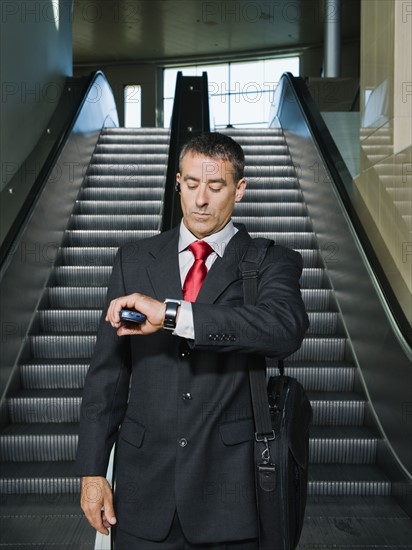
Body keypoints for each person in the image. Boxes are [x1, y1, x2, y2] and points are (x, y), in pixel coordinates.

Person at [76, 132, 309, 549]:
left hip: (231, 499)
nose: (201, 200)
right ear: (178, 183)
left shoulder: (271, 260)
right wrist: (93, 472)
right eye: (192, 184)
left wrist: (170, 314)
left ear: (239, 189)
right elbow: (107, 375)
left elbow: (283, 329)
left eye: (216, 187)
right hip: (142, 492)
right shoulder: (133, 259)